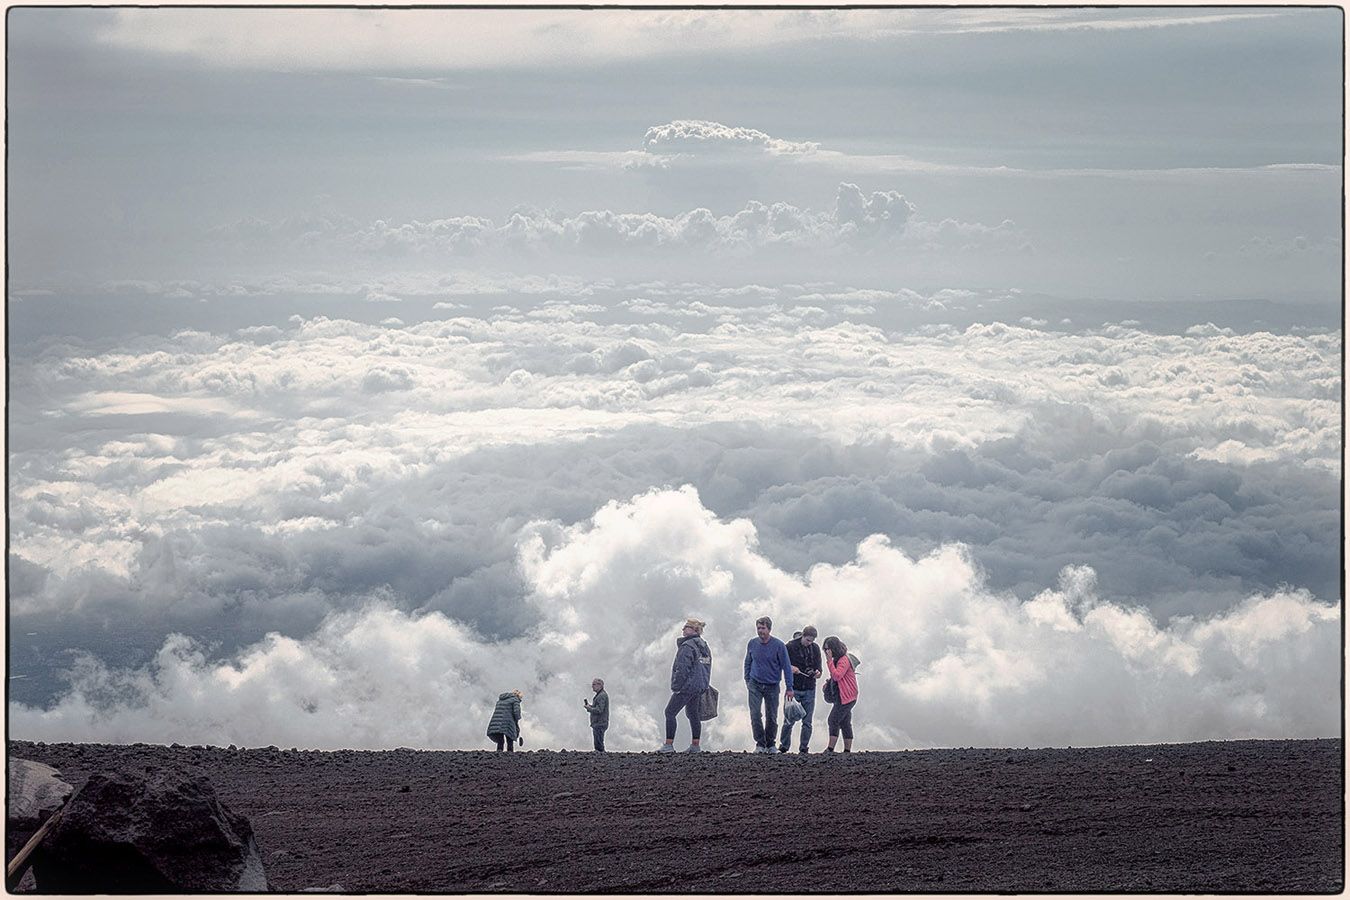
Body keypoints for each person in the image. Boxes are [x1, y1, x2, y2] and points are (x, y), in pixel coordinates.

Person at [657, 617, 712, 753]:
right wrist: (704, 684)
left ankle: (668, 745)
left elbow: (682, 668)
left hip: (686, 687)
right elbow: (707, 667)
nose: (683, 629)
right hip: (699, 687)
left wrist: (676, 686)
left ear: (694, 630)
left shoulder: (687, 646)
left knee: (670, 712)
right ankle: (695, 745)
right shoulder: (704, 646)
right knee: (693, 714)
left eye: (686, 627)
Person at [743, 615, 794, 753]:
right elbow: (748, 661)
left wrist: (789, 687)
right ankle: (760, 743)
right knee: (755, 714)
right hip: (755, 683)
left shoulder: (779, 645)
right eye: (758, 628)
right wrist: (747, 679)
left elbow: (786, 666)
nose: (760, 631)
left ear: (769, 629)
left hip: (772, 685)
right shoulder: (752, 643)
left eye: (763, 628)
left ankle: (771, 744)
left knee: (771, 715)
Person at [778, 625, 822, 754]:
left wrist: (818, 673)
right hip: (794, 688)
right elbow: (781, 663)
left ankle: (804, 748)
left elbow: (819, 667)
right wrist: (790, 667)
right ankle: (784, 746)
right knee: (788, 720)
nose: (809, 643)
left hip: (809, 687)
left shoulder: (815, 648)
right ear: (803, 635)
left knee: (807, 721)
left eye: (812, 641)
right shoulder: (790, 646)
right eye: (808, 640)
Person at [822, 636, 858, 753]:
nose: (827, 652)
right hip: (844, 696)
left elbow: (837, 675)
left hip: (846, 697)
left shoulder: (843, 660)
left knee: (833, 720)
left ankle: (830, 748)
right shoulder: (839, 659)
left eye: (828, 649)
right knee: (845, 722)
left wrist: (829, 661)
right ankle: (847, 750)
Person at [584, 677, 609, 752]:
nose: (592, 686)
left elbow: (599, 710)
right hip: (599, 722)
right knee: (598, 742)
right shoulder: (600, 695)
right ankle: (600, 756)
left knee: (599, 745)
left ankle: (601, 757)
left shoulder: (601, 696)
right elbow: (598, 708)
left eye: (594, 684)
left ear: (600, 685)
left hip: (600, 722)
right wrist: (590, 706)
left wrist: (589, 708)